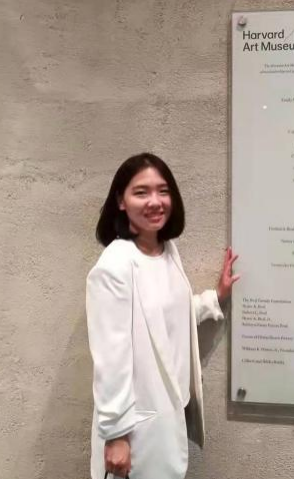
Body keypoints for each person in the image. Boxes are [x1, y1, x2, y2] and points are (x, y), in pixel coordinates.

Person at [86, 153, 240, 479]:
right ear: (121, 201)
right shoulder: (114, 266)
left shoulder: (166, 250)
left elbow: (165, 317)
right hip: (134, 432)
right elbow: (111, 358)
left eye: (163, 191)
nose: (155, 201)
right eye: (141, 192)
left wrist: (215, 298)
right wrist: (115, 435)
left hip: (169, 416)